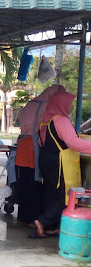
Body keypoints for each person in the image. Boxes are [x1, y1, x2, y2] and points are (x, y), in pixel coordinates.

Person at [31, 90, 91, 238]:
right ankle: (42, 221)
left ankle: (50, 227)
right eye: (69, 104)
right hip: (60, 164)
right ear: (61, 104)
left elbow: (41, 142)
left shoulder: (45, 120)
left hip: (47, 161)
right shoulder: (61, 121)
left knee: (51, 193)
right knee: (63, 196)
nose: (71, 107)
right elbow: (73, 142)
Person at [14, 84, 65, 223]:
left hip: (23, 144)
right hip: (34, 145)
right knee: (35, 182)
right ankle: (33, 218)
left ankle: (22, 216)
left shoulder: (31, 103)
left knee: (24, 180)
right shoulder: (48, 106)